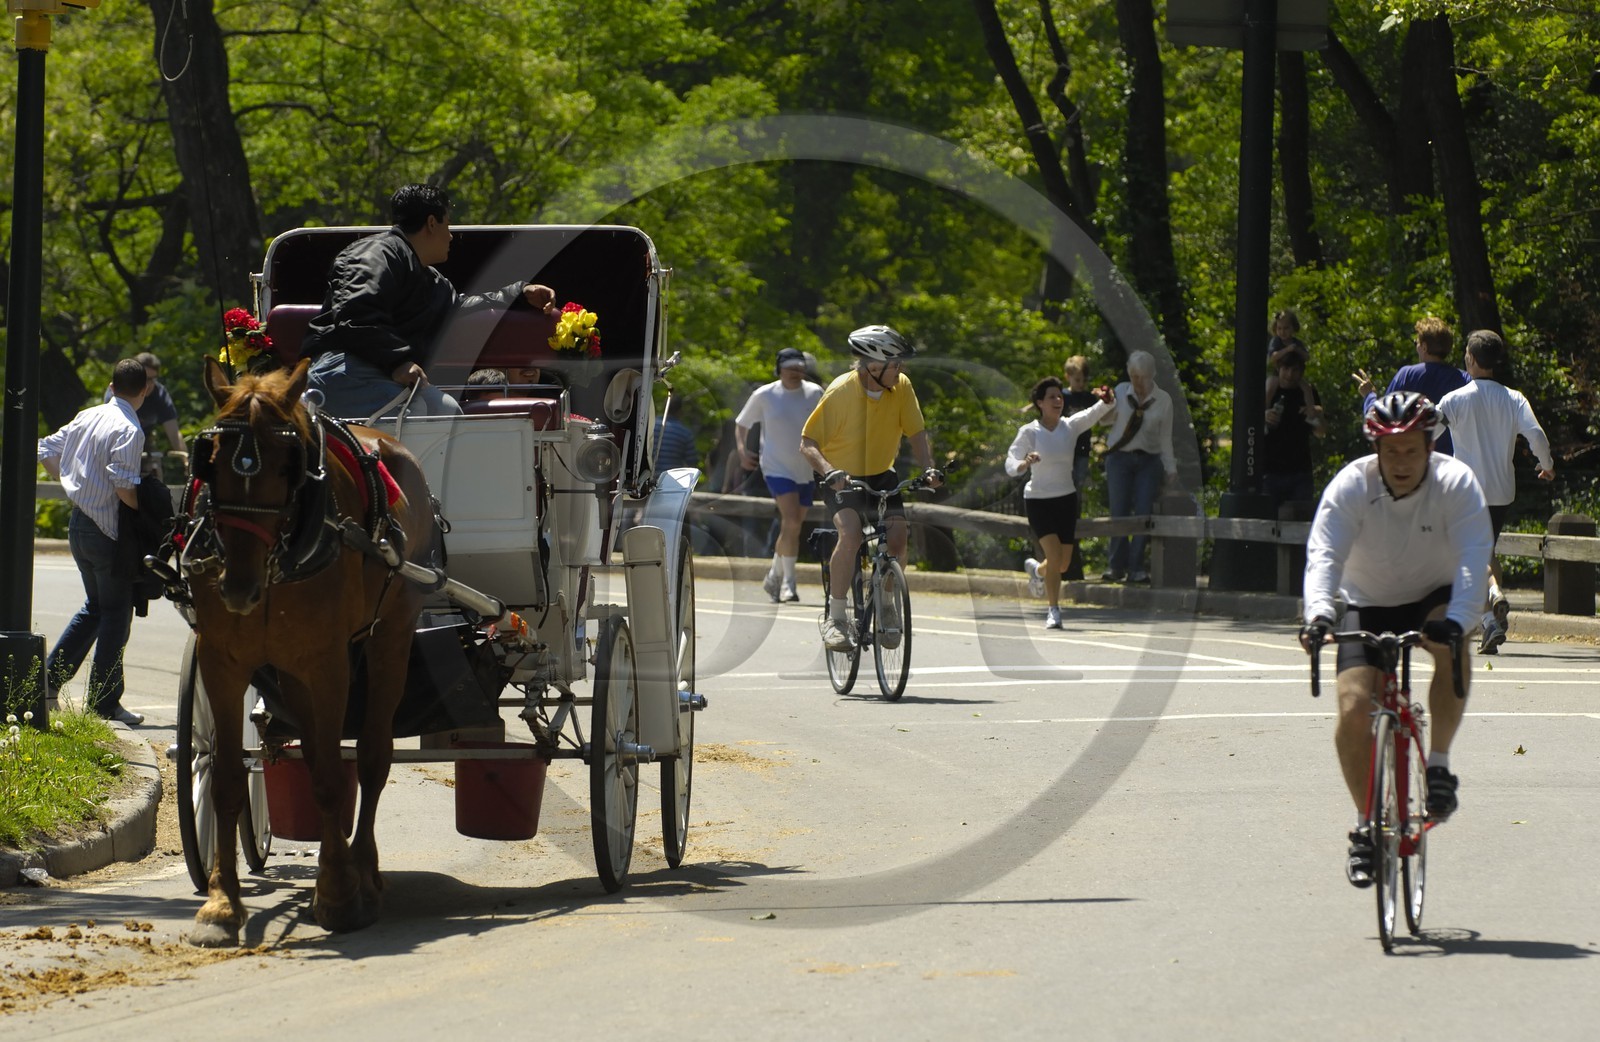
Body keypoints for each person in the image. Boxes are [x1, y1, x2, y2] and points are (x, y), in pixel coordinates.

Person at [1299, 391, 1493, 888]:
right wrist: (1319, 614)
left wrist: (1460, 619)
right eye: (1391, 452)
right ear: (1376, 451)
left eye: (1411, 450)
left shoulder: (1456, 483)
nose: (1401, 462)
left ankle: (1440, 766)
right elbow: (1325, 555)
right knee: (1352, 707)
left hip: (1435, 592)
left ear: (1429, 446)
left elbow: (1474, 558)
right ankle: (1366, 825)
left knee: (1452, 647)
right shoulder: (1351, 487)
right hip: (1366, 599)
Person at [302, 183, 557, 419]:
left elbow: (460, 306)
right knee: (418, 412)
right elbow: (356, 313)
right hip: (342, 367)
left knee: (445, 409)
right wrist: (398, 362)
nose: (451, 236)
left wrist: (520, 292)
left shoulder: (431, 280)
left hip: (381, 371)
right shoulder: (375, 254)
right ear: (432, 223)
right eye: (448, 225)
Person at [800, 325, 944, 651]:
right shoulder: (840, 392)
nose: (901, 370)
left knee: (897, 538)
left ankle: (888, 604)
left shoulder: (902, 387)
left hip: (881, 473)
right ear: (874, 367)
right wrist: (829, 471)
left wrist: (928, 469)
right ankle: (836, 618)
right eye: (895, 364)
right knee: (850, 534)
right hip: (841, 476)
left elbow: (917, 433)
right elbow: (807, 443)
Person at [37, 359, 152, 726]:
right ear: (145, 390)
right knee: (117, 614)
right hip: (107, 531)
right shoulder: (129, 428)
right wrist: (144, 512)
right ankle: (103, 702)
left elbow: (44, 449)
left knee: (96, 608)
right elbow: (123, 486)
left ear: (111, 385)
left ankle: (48, 684)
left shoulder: (88, 415)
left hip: (78, 524)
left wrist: (73, 485)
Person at [1436, 330, 1556, 655]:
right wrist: (1547, 465)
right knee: (1487, 553)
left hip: (1466, 490)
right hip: (1502, 491)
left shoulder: (1455, 400)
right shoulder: (1514, 398)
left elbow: (1426, 430)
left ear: (1471, 359)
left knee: (1469, 557)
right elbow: (1537, 434)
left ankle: (1491, 610)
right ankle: (1493, 617)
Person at [1006, 376, 1114, 629]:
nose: (1058, 400)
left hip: (1066, 499)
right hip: (1038, 501)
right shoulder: (1030, 431)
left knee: (1062, 564)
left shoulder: (1070, 426)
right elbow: (1011, 461)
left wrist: (1107, 399)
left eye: (1059, 396)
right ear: (1040, 403)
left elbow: (1095, 412)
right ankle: (1053, 610)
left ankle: (1037, 572)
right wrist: (1024, 463)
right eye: (1052, 397)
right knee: (1054, 555)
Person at [734, 348, 825, 603]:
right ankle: (788, 584)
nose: (795, 372)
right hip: (775, 467)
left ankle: (774, 574)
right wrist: (742, 452)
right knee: (792, 521)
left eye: (799, 367)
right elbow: (742, 424)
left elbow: (828, 425)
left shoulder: (815, 393)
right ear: (779, 369)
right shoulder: (765, 395)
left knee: (792, 526)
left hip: (806, 468)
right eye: (789, 367)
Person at [1097, 350, 1178, 583]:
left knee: (1143, 514)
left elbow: (1165, 438)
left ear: (1152, 374)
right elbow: (1104, 420)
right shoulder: (1121, 391)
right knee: (1119, 512)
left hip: (1149, 461)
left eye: (1142, 376)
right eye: (1133, 375)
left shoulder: (1163, 400)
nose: (1137, 381)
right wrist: (1106, 404)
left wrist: (1170, 467)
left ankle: (1137, 568)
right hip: (1119, 459)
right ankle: (1116, 566)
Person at [1353, 316, 1467, 454]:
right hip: (1452, 462)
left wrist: (1369, 395)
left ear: (1424, 347)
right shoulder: (1463, 378)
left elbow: (1380, 418)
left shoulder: (1407, 375)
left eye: (1417, 342)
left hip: (1416, 460)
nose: (1417, 346)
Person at [103, 351, 186, 479]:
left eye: (153, 379)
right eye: (146, 379)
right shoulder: (119, 390)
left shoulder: (159, 394)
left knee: (155, 469)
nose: (149, 384)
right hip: (118, 437)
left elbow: (173, 432)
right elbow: (108, 427)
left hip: (145, 438)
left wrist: (185, 459)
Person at [1261, 353, 1327, 509]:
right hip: (1269, 471)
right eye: (1286, 369)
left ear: (1301, 372)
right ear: (1279, 369)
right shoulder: (1269, 389)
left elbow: (1321, 432)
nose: (1290, 374)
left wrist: (1316, 415)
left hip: (1300, 472)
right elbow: (1248, 426)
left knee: (1299, 521)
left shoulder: (1308, 393)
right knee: (1267, 521)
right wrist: (1264, 416)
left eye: (1295, 370)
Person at [1060, 355, 1098, 581]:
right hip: (1065, 450)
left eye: (1082, 380)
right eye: (1076, 380)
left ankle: (1075, 512)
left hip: (1082, 451)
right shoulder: (1062, 396)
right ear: (1068, 378)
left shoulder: (1088, 397)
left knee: (1078, 483)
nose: (1079, 385)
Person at [1263, 309, 1308, 406]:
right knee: (1270, 386)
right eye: (1279, 328)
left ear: (1293, 328)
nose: (1282, 332)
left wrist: (1297, 350)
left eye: (1286, 328)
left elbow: (1306, 357)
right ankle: (1265, 408)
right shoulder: (1276, 342)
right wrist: (1287, 350)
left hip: (1294, 374)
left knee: (1307, 387)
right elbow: (1272, 357)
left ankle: (1310, 410)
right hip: (1276, 374)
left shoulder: (1296, 343)